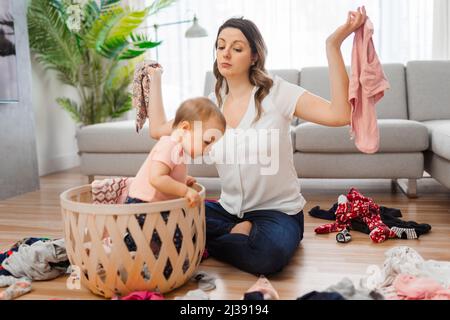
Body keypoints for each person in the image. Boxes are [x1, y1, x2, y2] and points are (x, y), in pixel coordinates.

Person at [144, 7, 368, 275]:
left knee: (266, 257)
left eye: (237, 48)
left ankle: (208, 242)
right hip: (227, 212)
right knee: (157, 219)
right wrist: (154, 78)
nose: (225, 53)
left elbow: (340, 114)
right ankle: (233, 233)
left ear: (254, 56)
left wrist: (333, 46)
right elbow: (158, 129)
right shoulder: (210, 105)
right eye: (220, 46)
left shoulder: (277, 92)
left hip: (277, 213)